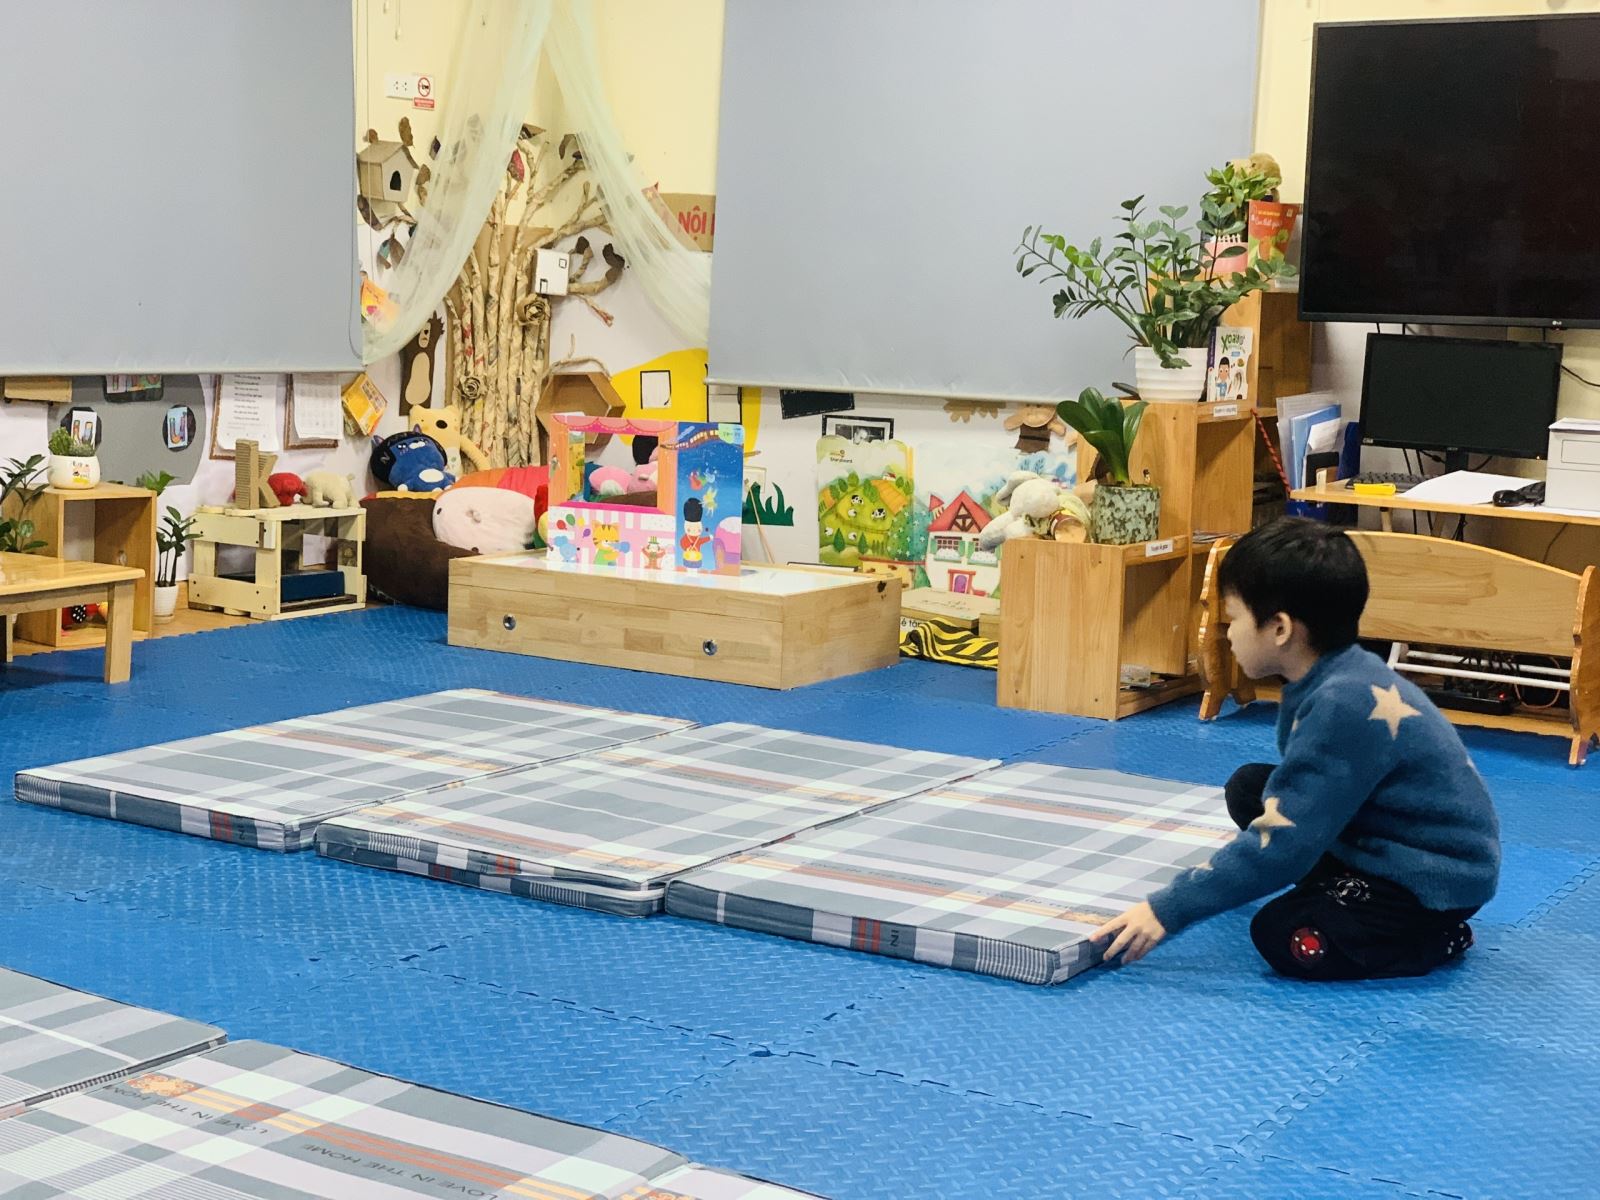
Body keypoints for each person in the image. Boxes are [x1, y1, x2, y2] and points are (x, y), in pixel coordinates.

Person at [1091, 518, 1500, 980]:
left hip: (1430, 876)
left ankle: (1435, 938)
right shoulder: (1334, 672)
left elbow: (1285, 841)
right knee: (1250, 787)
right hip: (1381, 836)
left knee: (1283, 932)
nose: (1228, 634)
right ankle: (1347, 892)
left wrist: (1168, 908)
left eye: (1234, 618)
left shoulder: (1342, 704)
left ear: (1280, 629)